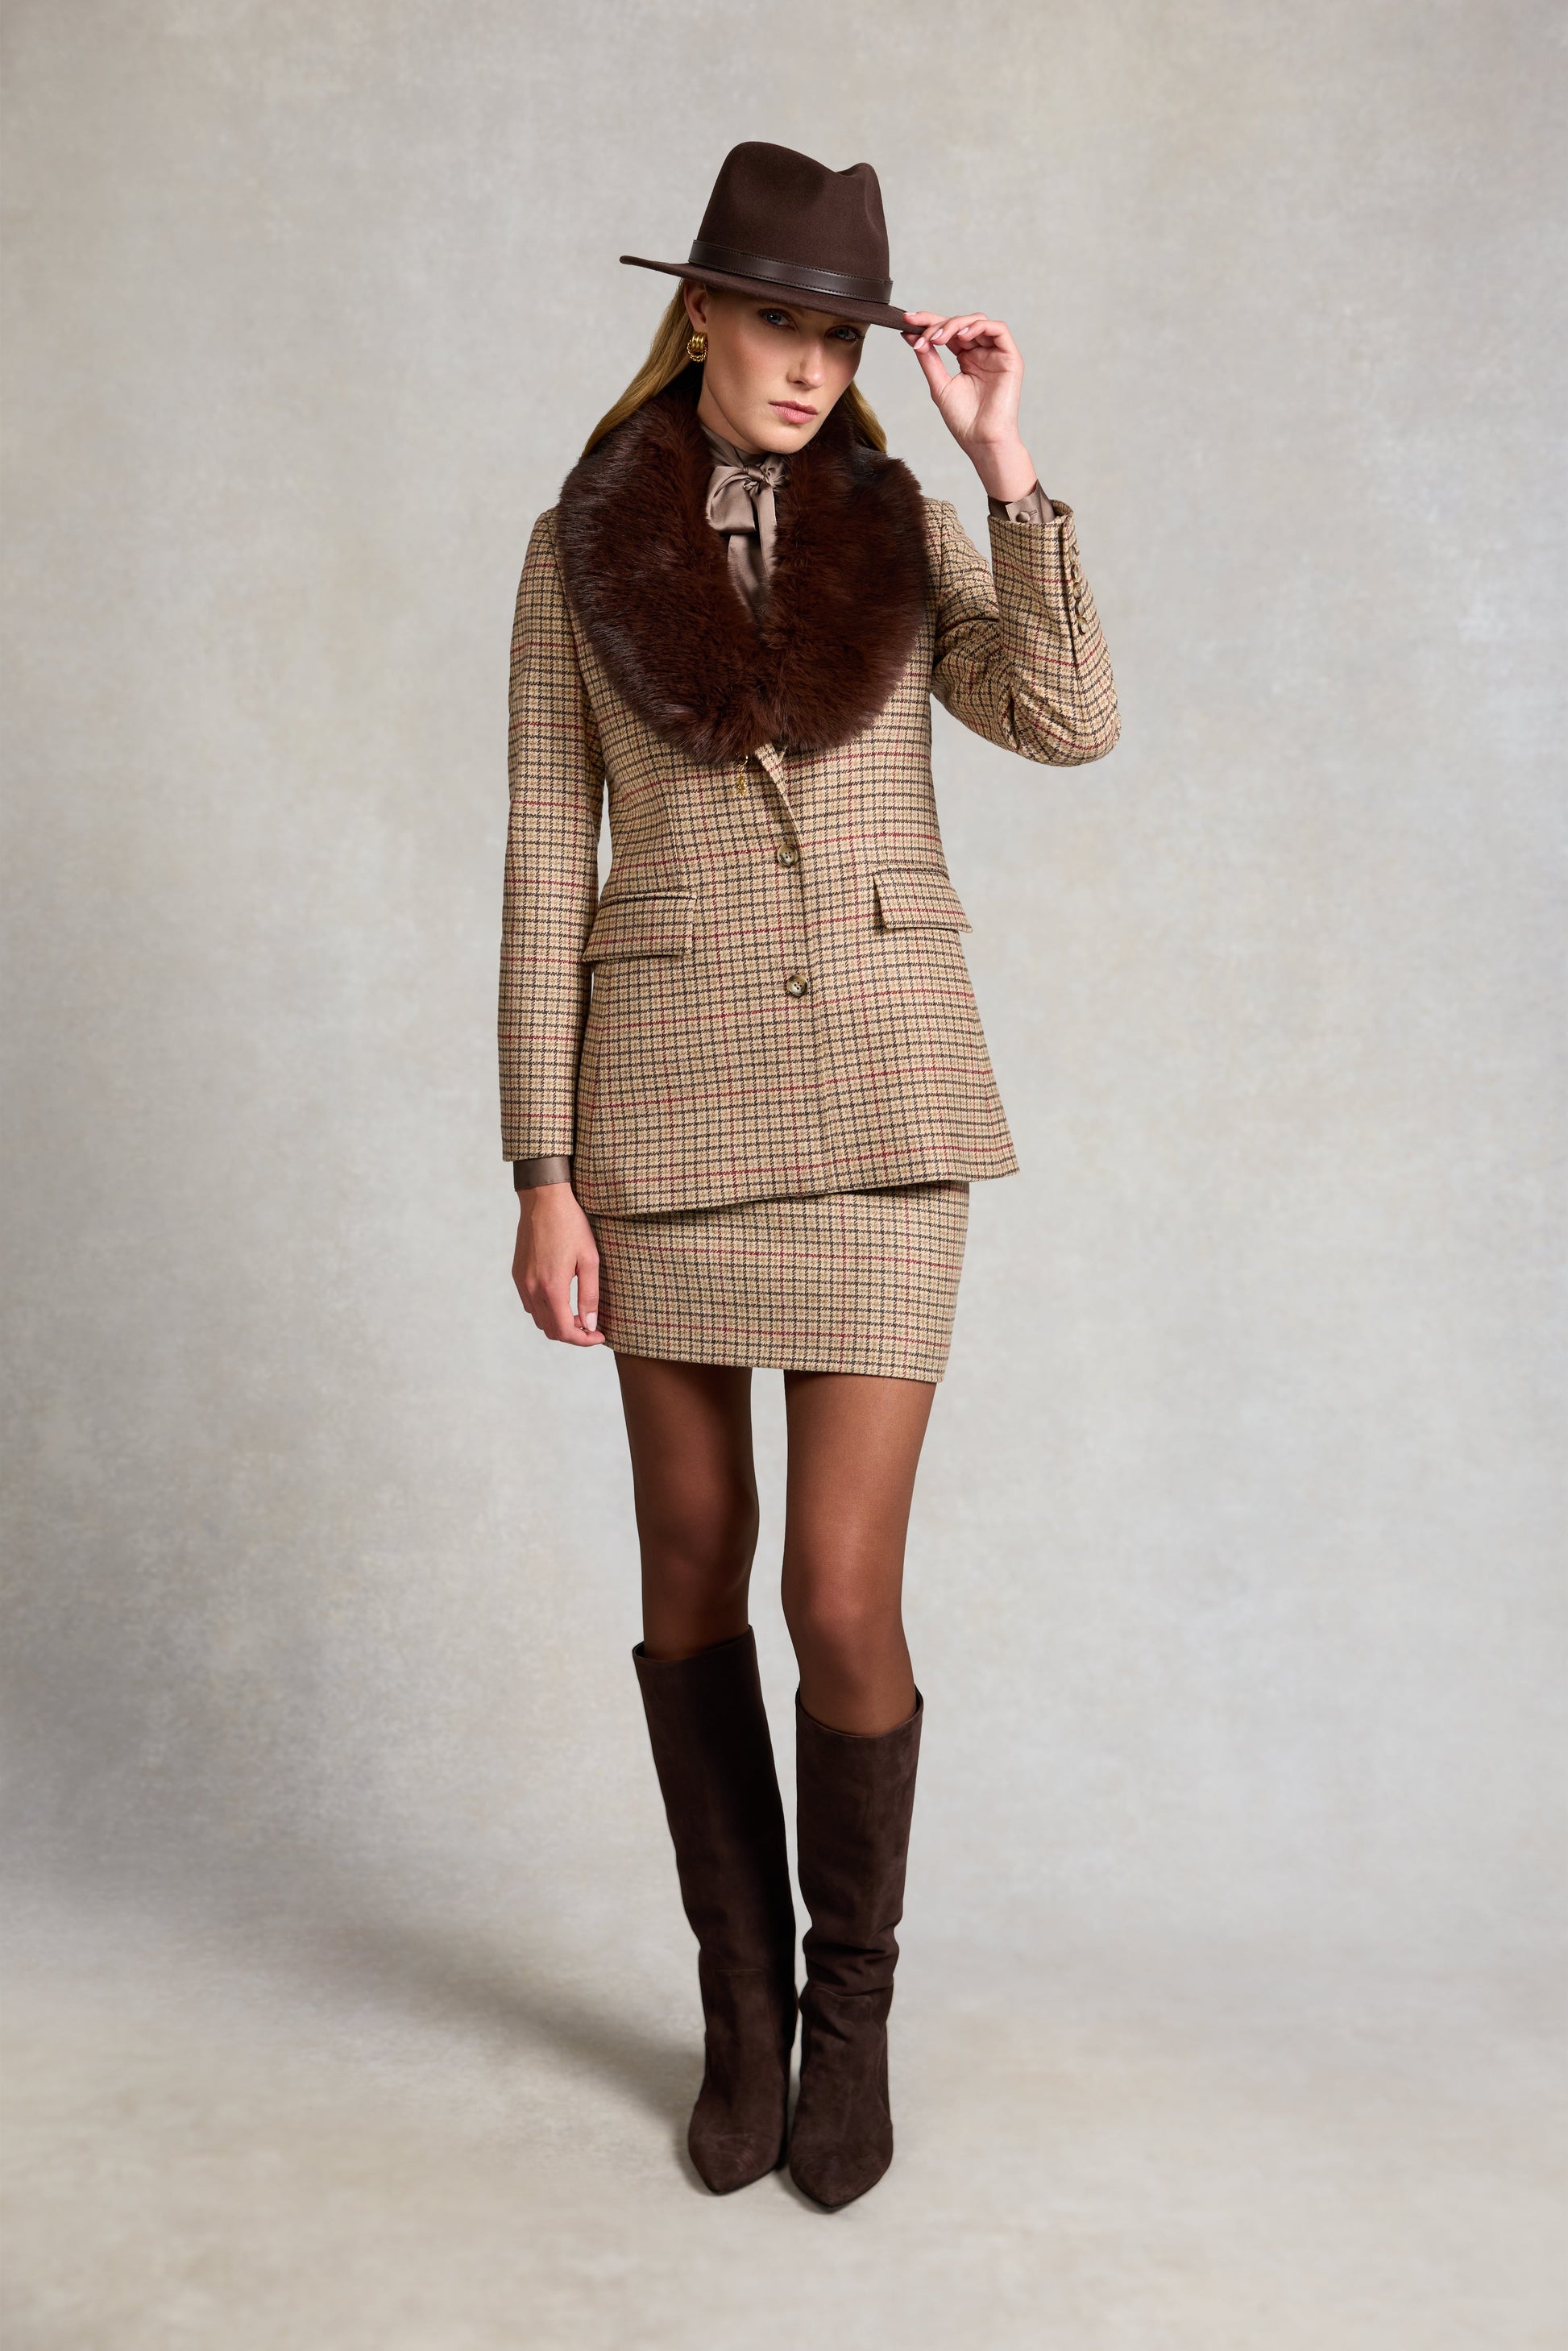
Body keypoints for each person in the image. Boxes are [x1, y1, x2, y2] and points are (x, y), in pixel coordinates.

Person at [499, 140, 1120, 2209]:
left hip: (882, 1106)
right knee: (690, 1564)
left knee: (837, 1590)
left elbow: (1069, 719)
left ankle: (849, 2021)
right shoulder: (575, 549)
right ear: (699, 311)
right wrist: (540, 1164)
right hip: (662, 1107)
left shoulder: (906, 523)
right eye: (778, 320)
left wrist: (1004, 462)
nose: (807, 364)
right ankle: (739, 2014)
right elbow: (542, 866)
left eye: (839, 335)